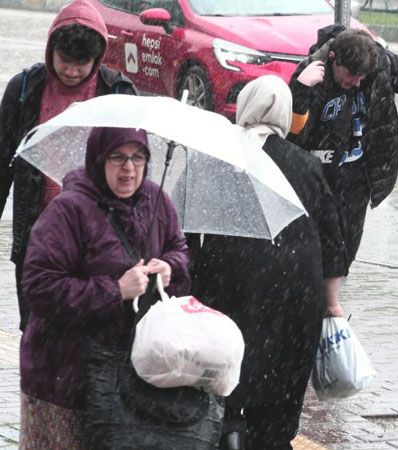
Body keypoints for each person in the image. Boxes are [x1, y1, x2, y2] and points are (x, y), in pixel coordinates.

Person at [191, 75, 348, 450]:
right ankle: (272, 439)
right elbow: (332, 242)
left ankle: (228, 430)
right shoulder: (305, 165)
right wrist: (331, 304)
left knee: (228, 374)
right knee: (280, 383)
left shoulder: (219, 157)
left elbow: (192, 226)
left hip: (227, 287)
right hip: (294, 293)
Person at [18, 127, 190, 448]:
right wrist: (116, 290)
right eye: (118, 157)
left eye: (138, 157)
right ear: (99, 159)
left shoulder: (157, 201)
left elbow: (178, 250)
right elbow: (40, 287)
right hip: (65, 381)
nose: (129, 168)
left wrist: (170, 268)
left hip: (125, 380)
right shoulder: (68, 211)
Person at [0, 0, 138, 332]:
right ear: (51, 49)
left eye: (82, 64)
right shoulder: (24, 89)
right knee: (36, 330)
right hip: (37, 238)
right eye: (65, 61)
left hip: (98, 240)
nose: (72, 72)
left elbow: (134, 171)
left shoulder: (117, 93)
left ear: (98, 58)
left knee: (89, 335)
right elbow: (2, 163)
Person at [288, 25, 398, 278]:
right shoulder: (311, 73)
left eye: (362, 77)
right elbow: (293, 134)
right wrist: (301, 89)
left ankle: (330, 303)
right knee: (311, 253)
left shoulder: (382, 65)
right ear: (333, 59)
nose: (356, 82)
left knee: (345, 253)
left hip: (359, 178)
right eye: (351, 75)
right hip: (319, 178)